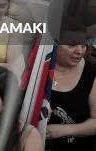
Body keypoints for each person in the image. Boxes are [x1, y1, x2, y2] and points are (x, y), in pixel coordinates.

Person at [46, 19, 96, 150]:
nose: (79, 51)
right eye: (72, 45)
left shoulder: (91, 74)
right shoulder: (38, 67)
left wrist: (63, 130)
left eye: (83, 45)